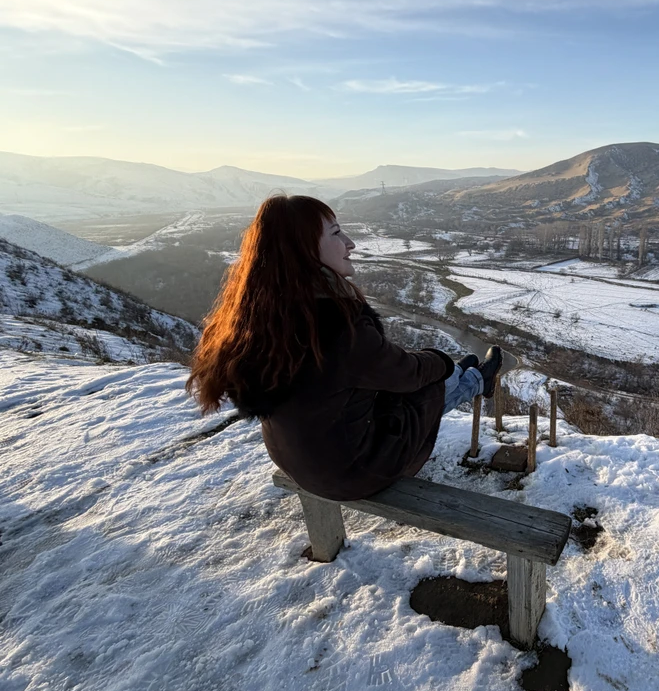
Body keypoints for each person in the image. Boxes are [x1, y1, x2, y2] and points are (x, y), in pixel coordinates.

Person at [186, 193, 503, 500]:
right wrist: (442, 362)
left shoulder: (260, 314)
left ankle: (466, 375)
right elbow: (407, 373)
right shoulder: (335, 324)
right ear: (304, 247)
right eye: (336, 233)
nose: (350, 243)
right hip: (352, 473)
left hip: (297, 459)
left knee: (408, 383)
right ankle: (475, 380)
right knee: (427, 386)